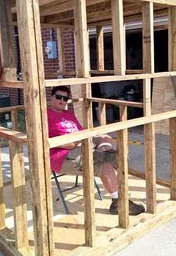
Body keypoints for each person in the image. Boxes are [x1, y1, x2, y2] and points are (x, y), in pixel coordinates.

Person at [47, 86, 145, 216]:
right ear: (52, 97)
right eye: (58, 97)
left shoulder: (69, 114)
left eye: (65, 98)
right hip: (64, 155)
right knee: (103, 161)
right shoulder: (45, 115)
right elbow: (43, 139)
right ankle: (108, 159)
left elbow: (82, 132)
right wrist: (69, 144)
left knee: (104, 137)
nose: (61, 100)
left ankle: (103, 156)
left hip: (82, 146)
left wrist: (92, 139)